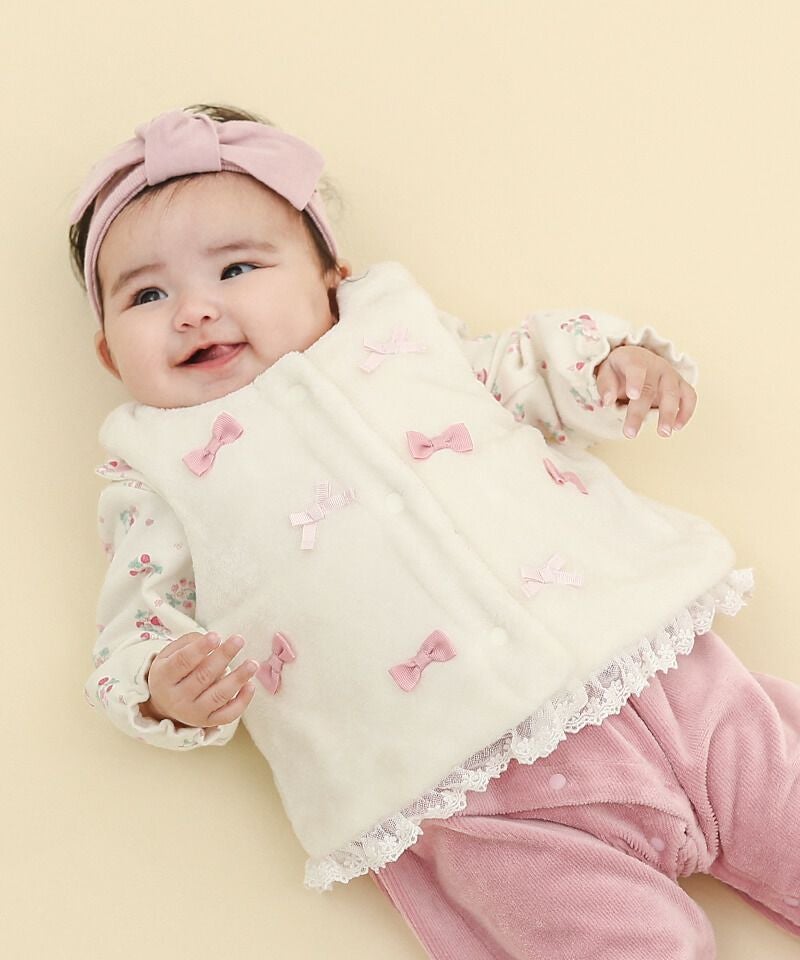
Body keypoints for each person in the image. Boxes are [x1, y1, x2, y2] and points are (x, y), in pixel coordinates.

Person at [70, 103, 799, 959]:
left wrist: (612, 368)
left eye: (237, 268)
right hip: (476, 795)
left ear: (331, 277)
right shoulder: (154, 474)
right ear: (110, 354)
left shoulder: (405, 342)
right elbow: (134, 625)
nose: (194, 310)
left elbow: (528, 373)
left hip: (658, 677)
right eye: (147, 295)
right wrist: (161, 686)